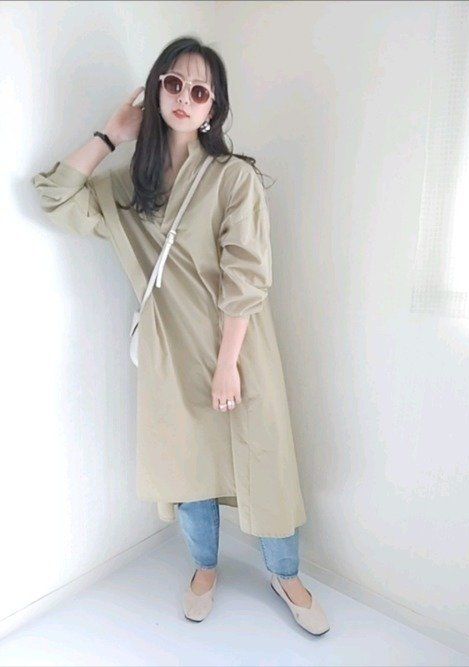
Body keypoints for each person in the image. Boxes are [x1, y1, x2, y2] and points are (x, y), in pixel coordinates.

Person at [31, 36, 329, 635]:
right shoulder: (125, 187)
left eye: (200, 91)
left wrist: (228, 363)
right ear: (155, 90)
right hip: (169, 350)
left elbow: (248, 275)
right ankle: (204, 569)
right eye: (173, 83)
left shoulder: (233, 178)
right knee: (187, 465)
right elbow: (54, 196)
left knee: (264, 456)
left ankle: (285, 573)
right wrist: (111, 133)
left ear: (214, 108)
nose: (185, 98)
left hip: (238, 347)